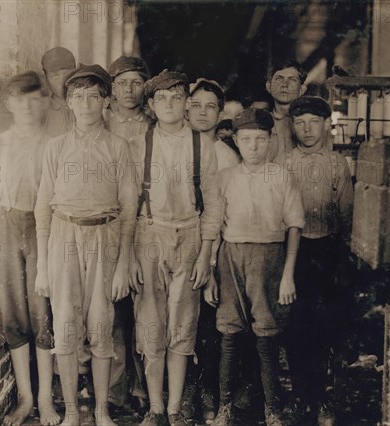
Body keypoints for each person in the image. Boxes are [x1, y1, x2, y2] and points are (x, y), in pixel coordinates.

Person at [34, 64, 138, 426]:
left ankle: (102, 410)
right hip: (63, 236)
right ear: (68, 103)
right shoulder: (56, 147)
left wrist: (123, 262)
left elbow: (129, 208)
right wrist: (42, 267)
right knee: (65, 324)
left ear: (106, 101)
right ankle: (73, 413)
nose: (86, 104)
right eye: (78, 97)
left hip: (105, 237)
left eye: (94, 96)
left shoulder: (118, 147)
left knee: (100, 324)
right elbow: (42, 207)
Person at [129, 69, 222, 426]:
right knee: (152, 326)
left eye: (176, 98)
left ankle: (174, 409)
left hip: (190, 235)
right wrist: (130, 255)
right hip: (149, 233)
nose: (169, 105)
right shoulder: (139, 144)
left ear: (186, 103)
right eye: (161, 99)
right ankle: (155, 408)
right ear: (151, 105)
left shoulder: (203, 145)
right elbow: (127, 205)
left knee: (182, 327)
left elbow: (213, 205)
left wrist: (206, 256)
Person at [207, 108, 305, 426]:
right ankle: (224, 407)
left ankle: (272, 409)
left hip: (271, 258)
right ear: (236, 141)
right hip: (231, 256)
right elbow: (214, 228)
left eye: (260, 140)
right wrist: (210, 273)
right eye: (246, 140)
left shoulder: (281, 176)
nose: (253, 147)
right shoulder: (225, 178)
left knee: (266, 334)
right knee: (230, 332)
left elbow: (294, 226)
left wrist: (288, 274)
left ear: (271, 140)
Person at [0, 71, 59, 426]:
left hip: (44, 229)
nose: (27, 107)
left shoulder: (55, 143)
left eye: (34, 99)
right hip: (5, 228)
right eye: (20, 100)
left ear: (43, 102)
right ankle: (26, 399)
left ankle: (46, 399)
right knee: (14, 315)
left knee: (43, 312)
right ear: (9, 104)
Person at [285, 96, 354, 426]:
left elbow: (347, 216)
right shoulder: (284, 164)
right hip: (294, 256)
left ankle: (324, 398)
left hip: (329, 252)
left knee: (327, 327)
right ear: (293, 126)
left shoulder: (338, 164)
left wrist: (342, 261)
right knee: (297, 327)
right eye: (300, 122)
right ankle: (301, 397)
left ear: (327, 124)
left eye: (314, 122)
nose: (307, 129)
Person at [182, 77, 239, 423]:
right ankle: (182, 393)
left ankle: (208, 393)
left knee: (208, 325)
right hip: (176, 244)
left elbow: (224, 214)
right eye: (197, 105)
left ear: (220, 114)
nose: (203, 113)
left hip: (213, 249)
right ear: (187, 109)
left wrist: (213, 260)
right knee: (177, 322)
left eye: (211, 107)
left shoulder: (225, 156)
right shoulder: (173, 146)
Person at [104, 55, 152, 416]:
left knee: (145, 309)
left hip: (148, 222)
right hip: (112, 221)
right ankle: (116, 390)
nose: (129, 90)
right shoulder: (102, 122)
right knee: (115, 311)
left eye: (136, 83)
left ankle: (144, 387)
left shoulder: (155, 124)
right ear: (112, 88)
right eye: (122, 83)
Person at [265, 60, 308, 164]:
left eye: (292, 80)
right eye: (279, 79)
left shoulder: (309, 124)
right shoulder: (261, 122)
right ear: (269, 86)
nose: (285, 85)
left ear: (302, 90)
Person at [41, 47, 76, 137]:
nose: (62, 81)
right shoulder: (41, 110)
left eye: (67, 74)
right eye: (55, 76)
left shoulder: (85, 105)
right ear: (46, 79)